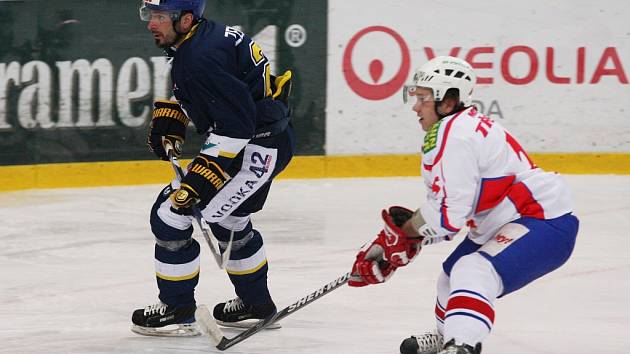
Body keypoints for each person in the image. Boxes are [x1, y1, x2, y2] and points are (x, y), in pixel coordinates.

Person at [348, 56, 579, 354]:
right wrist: (398, 238)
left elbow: (448, 218)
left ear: (448, 101)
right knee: (450, 275)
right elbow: (447, 211)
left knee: (473, 269)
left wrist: (403, 236)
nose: (415, 106)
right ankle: (449, 335)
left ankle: (462, 345)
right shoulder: (456, 128)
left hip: (543, 220)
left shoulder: (454, 136)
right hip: (511, 218)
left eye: (423, 98)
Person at [131, 0, 295, 336]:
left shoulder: (197, 57)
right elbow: (229, 91)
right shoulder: (204, 37)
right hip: (268, 143)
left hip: (251, 152)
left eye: (160, 17)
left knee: (170, 215)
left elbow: (236, 125)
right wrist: (178, 111)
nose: (151, 24)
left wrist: (203, 176)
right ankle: (256, 304)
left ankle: (177, 309)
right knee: (230, 221)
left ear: (185, 19)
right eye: (150, 15)